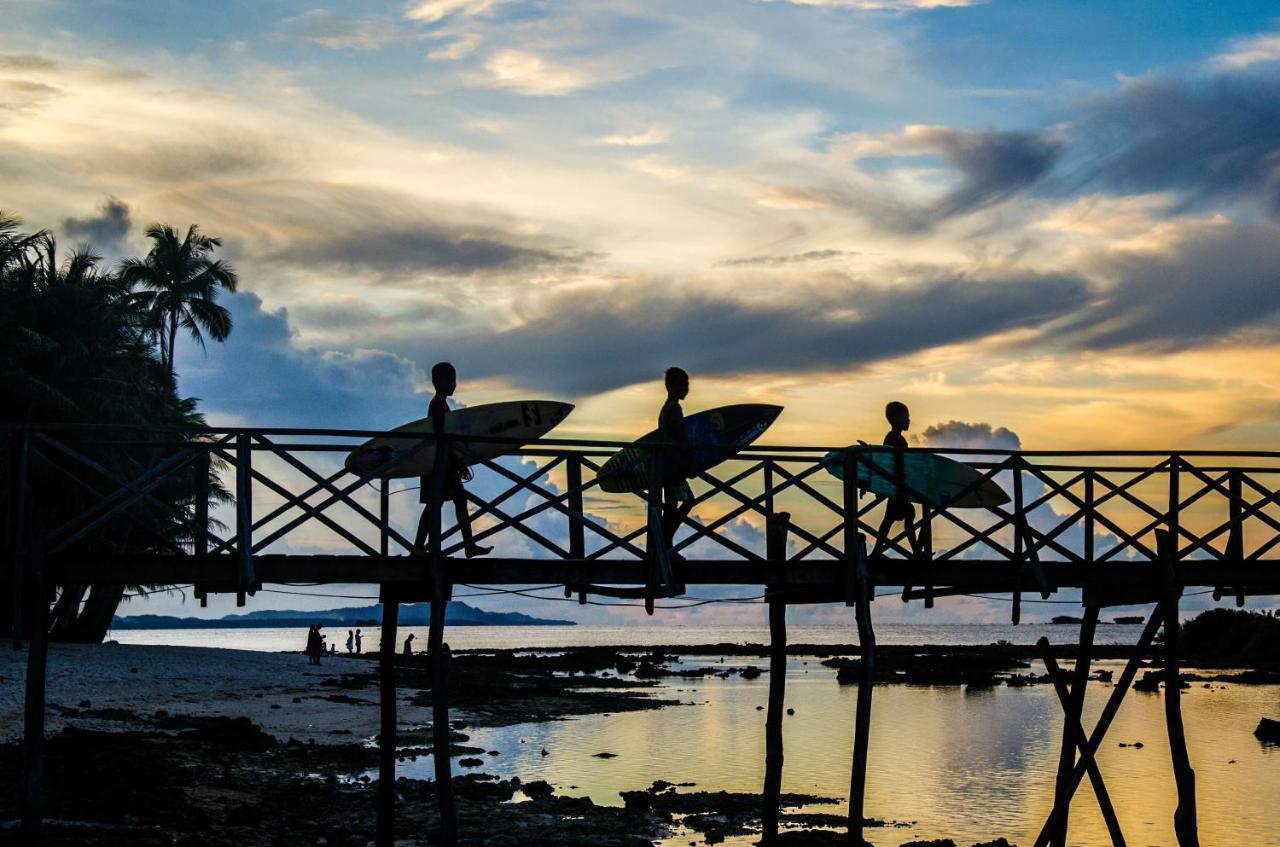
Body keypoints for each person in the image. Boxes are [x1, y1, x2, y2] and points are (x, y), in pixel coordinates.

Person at [414, 362, 492, 559]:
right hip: (441, 465)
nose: (453, 385)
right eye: (450, 380)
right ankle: (462, 546)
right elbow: (442, 437)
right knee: (440, 505)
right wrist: (459, 463)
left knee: (439, 505)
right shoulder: (438, 403)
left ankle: (422, 548)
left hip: (443, 464)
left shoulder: (440, 403)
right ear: (438, 381)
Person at [871, 401, 921, 559]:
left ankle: (878, 552)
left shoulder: (894, 438)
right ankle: (915, 553)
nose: (908, 420)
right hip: (898, 485)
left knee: (900, 516)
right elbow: (896, 463)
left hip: (896, 484)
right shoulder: (895, 439)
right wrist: (899, 484)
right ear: (895, 418)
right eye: (906, 417)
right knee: (897, 517)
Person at [657, 367, 695, 559]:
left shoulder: (666, 408)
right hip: (673, 467)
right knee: (688, 501)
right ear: (670, 386)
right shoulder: (674, 408)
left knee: (671, 505)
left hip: (667, 466)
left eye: (687, 385)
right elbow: (681, 439)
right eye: (682, 385)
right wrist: (690, 462)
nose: (685, 389)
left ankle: (663, 544)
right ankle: (664, 543)